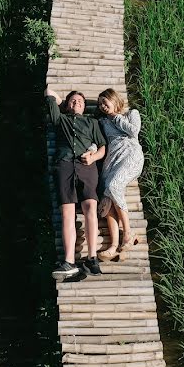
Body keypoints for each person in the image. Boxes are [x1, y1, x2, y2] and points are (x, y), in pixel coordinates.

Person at [46, 88, 106, 279]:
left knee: (90, 207)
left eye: (80, 101)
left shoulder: (92, 122)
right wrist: (62, 102)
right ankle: (69, 261)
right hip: (64, 166)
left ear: (85, 106)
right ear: (66, 105)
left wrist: (94, 156)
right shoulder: (60, 119)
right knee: (67, 212)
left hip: (86, 166)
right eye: (72, 100)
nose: (76, 102)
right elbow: (48, 92)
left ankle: (92, 257)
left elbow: (103, 147)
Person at [96, 88, 143, 261]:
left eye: (104, 102)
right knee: (107, 198)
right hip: (111, 162)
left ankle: (129, 233)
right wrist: (92, 151)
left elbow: (134, 132)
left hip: (130, 155)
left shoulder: (132, 114)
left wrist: (116, 116)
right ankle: (114, 246)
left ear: (113, 99)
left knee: (114, 186)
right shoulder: (101, 122)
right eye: (100, 103)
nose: (102, 106)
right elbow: (98, 141)